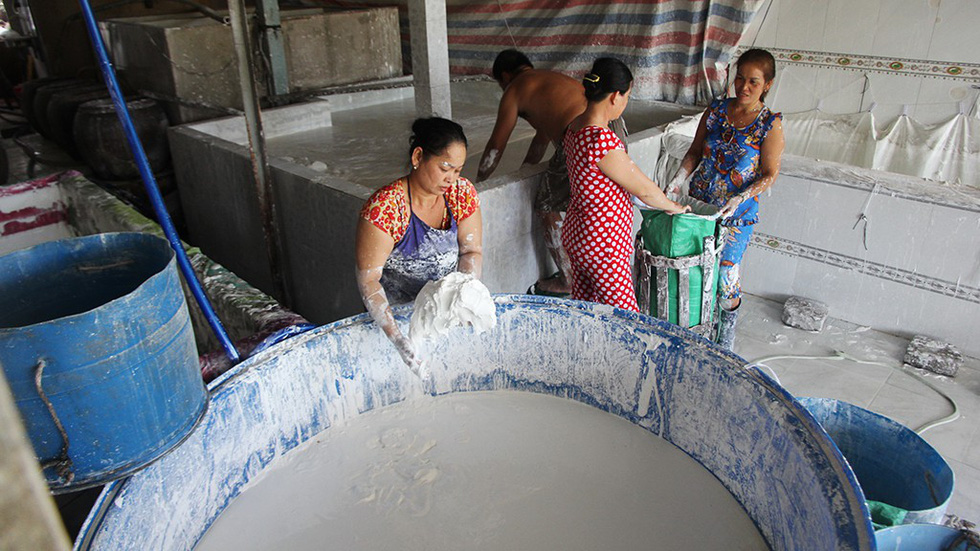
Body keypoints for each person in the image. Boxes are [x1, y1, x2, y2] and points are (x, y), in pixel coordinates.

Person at [668, 48, 785, 350]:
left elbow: (770, 173)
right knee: (695, 267)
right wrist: (678, 179)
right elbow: (694, 152)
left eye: (754, 82)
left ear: (768, 85)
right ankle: (695, 334)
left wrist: (742, 195)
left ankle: (726, 342)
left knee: (725, 272)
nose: (744, 87)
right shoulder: (717, 110)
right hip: (700, 205)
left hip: (737, 213)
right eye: (740, 79)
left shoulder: (769, 124)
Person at [355, 117, 483, 370]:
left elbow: (471, 251)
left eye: (458, 170)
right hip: (397, 319)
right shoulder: (386, 209)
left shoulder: (461, 194)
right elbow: (369, 280)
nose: (451, 179)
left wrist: (464, 293)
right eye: (445, 168)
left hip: (445, 312)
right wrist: (399, 339)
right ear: (417, 157)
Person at [562, 57, 688, 312]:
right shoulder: (600, 139)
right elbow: (644, 189)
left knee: (586, 310)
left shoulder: (574, 127)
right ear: (615, 96)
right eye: (627, 97)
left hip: (578, 234)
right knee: (624, 316)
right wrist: (673, 206)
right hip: (603, 244)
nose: (625, 103)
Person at [476, 49, 589, 297]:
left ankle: (568, 279)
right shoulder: (548, 81)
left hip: (580, 135)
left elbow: (496, 146)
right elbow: (543, 138)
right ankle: (587, 270)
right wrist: (524, 172)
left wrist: (479, 185)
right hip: (606, 128)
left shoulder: (515, 88)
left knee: (547, 205)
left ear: (505, 75)